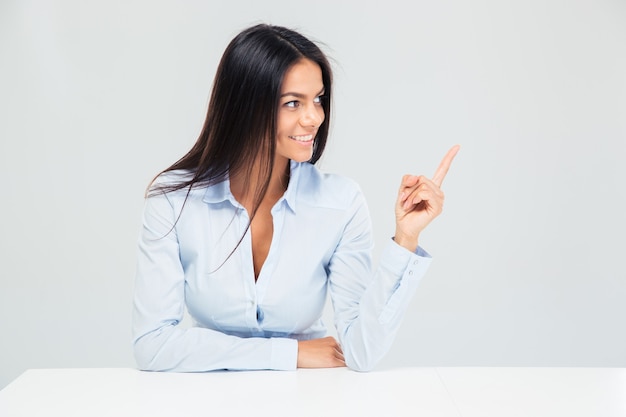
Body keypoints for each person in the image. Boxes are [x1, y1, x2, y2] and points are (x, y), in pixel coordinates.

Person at [132, 23, 459, 373]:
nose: (314, 117)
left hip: (310, 397)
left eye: (318, 100)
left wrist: (406, 239)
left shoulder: (341, 202)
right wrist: (290, 354)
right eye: (293, 103)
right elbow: (152, 345)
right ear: (244, 107)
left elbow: (361, 352)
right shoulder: (174, 201)